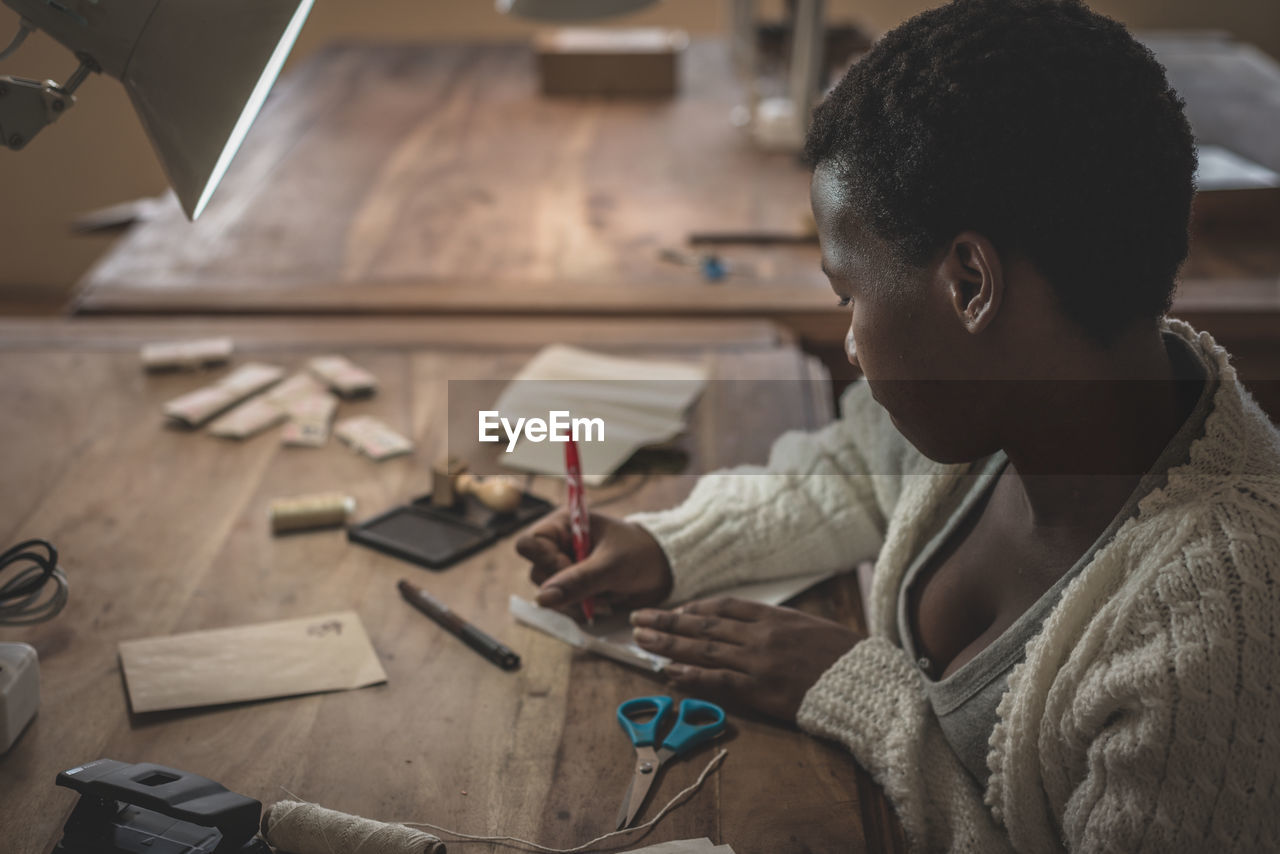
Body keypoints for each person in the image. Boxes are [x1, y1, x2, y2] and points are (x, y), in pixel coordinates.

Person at [516, 0, 1280, 850]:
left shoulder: (1210, 643)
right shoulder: (1042, 392)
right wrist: (670, 546)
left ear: (969, 285)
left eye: (849, 296)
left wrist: (866, 694)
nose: (848, 341)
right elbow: (852, 464)